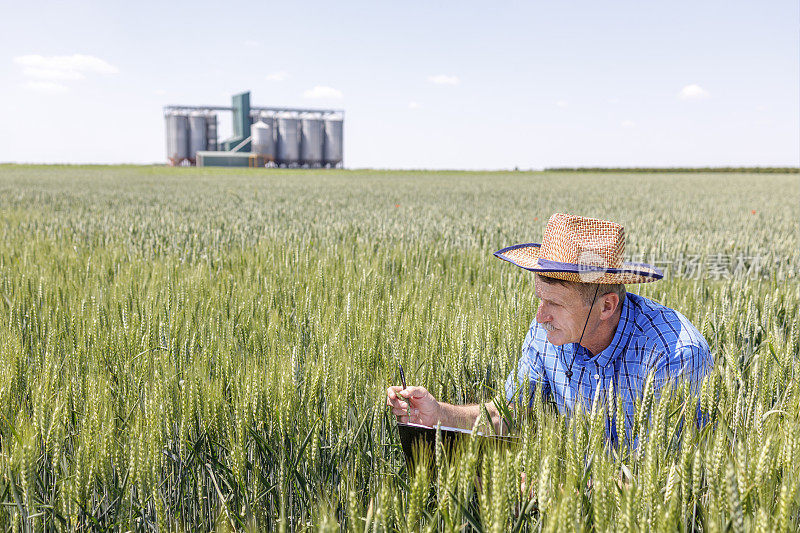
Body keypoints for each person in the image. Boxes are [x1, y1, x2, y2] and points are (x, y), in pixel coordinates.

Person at [386, 213, 712, 443]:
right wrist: (439, 414)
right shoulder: (548, 332)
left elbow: (666, 475)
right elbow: (512, 412)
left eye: (555, 304)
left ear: (606, 306)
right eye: (540, 299)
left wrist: (559, 487)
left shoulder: (675, 355)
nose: (540, 316)